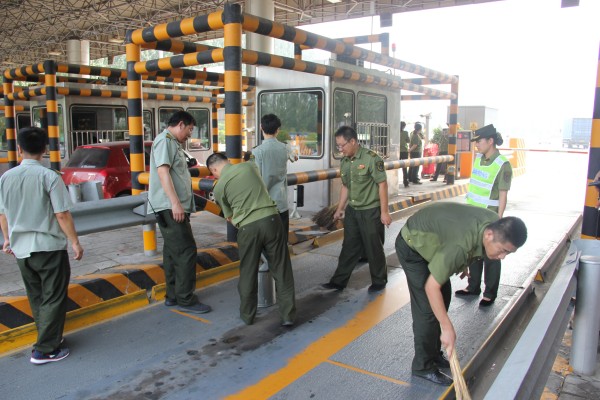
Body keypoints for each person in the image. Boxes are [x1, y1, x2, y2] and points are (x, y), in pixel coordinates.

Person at [396, 202, 527, 386]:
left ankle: (433, 354)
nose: (503, 257)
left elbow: (465, 237)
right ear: (489, 235)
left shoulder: (493, 223)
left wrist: (463, 263)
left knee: (444, 296)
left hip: (436, 240)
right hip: (413, 246)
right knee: (427, 311)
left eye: (508, 253)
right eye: (503, 250)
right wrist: (447, 328)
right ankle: (422, 366)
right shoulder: (459, 247)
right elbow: (431, 287)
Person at [0, 127, 84, 364]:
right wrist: (75, 242)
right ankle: (45, 349)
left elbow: (3, 214)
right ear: (45, 149)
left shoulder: (6, 177)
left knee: (37, 296)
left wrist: (7, 239)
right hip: (48, 248)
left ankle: (49, 337)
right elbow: (62, 214)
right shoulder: (50, 177)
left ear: (19, 149)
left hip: (21, 250)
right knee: (54, 297)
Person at [207, 152, 296, 326]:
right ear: (228, 161)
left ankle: (248, 316)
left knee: (248, 272)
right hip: (272, 220)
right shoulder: (249, 166)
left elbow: (230, 217)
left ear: (214, 170)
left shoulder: (218, 187)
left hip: (248, 228)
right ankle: (288, 316)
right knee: (281, 269)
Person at [148, 111, 211, 314]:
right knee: (186, 250)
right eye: (190, 129)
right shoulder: (165, 141)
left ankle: (173, 295)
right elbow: (163, 172)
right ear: (181, 124)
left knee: (173, 252)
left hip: (171, 206)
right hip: (170, 207)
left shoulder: (172, 143)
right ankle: (186, 299)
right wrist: (175, 203)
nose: (190, 134)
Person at [321, 126, 392, 293]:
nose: (340, 149)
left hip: (370, 211)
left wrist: (384, 212)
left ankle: (379, 280)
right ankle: (338, 281)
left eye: (342, 145)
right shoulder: (345, 161)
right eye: (338, 146)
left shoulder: (371, 159)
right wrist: (340, 208)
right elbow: (346, 186)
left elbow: (382, 185)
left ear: (352, 141)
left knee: (373, 247)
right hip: (353, 211)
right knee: (349, 246)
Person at [455, 124, 513, 306]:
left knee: (491, 255)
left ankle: (490, 293)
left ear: (490, 141)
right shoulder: (479, 159)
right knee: (474, 252)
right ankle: (473, 287)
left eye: (479, 141)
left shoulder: (502, 165)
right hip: (473, 216)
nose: (477, 144)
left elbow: (503, 194)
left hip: (490, 218)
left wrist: (499, 220)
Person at [250, 114, 296, 237]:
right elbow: (295, 157)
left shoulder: (257, 151)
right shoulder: (285, 147)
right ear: (278, 130)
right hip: (281, 202)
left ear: (261, 127)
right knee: (282, 239)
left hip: (263, 205)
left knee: (266, 241)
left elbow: (255, 178)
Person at [400, 121, 410, 188]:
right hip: (404, 151)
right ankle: (405, 182)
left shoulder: (395, 132)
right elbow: (408, 141)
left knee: (394, 166)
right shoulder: (405, 133)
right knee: (404, 167)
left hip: (397, 151)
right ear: (404, 126)